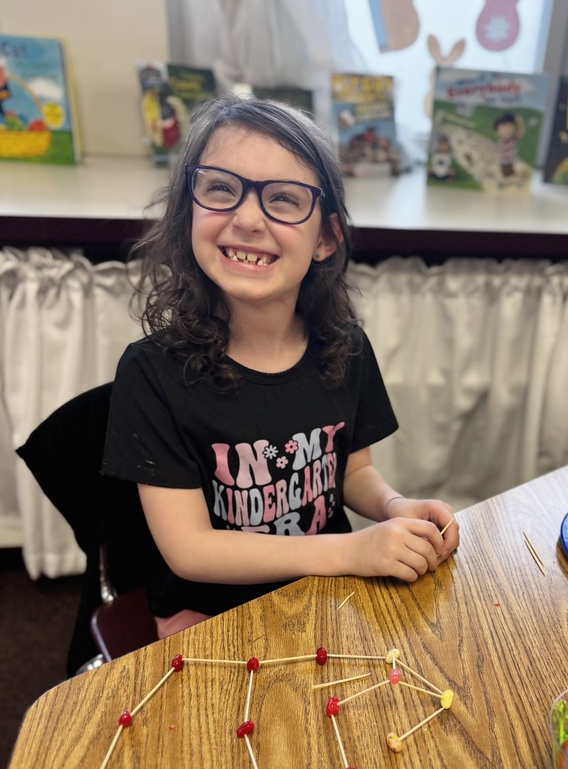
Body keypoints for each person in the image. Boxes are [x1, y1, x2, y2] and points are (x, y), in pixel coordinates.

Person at [102, 93, 459, 638]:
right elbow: (191, 551)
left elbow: (353, 472)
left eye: (284, 200)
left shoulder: (347, 347)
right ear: (187, 210)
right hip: (209, 612)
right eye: (221, 188)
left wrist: (392, 506)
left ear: (325, 239)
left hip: (322, 589)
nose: (247, 218)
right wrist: (351, 550)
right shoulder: (150, 373)